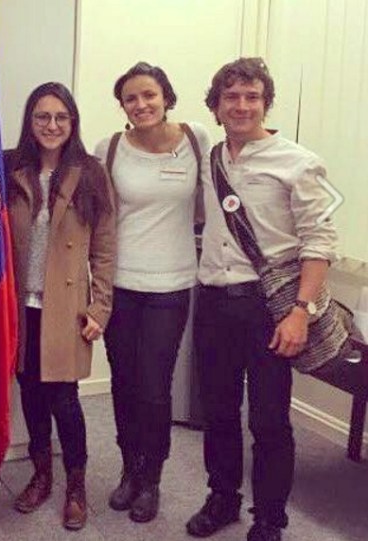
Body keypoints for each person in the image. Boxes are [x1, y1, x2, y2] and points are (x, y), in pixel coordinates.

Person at [186, 58, 339, 541]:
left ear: (265, 102)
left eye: (252, 96)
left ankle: (270, 519)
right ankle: (223, 500)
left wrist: (301, 312)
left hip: (269, 309)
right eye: (231, 97)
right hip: (212, 301)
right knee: (219, 412)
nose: (242, 105)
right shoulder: (212, 158)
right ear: (215, 107)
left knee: (270, 420)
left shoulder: (299, 161)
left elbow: (319, 243)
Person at [93, 62, 212, 523]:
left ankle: (153, 478)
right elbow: (100, 218)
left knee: (154, 387)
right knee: (123, 383)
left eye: (149, 95)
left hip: (171, 284)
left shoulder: (197, 140)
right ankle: (129, 469)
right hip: (120, 285)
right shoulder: (110, 148)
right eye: (130, 98)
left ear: (166, 96)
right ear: (121, 105)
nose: (141, 104)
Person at [6, 82, 116, 531]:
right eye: (42, 117)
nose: (51, 126)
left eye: (60, 118)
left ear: (72, 124)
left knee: (64, 400)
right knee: (30, 396)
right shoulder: (11, 166)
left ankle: (75, 483)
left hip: (65, 307)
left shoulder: (90, 172)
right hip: (19, 306)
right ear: (30, 123)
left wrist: (100, 306)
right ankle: (41, 473)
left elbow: (105, 248)